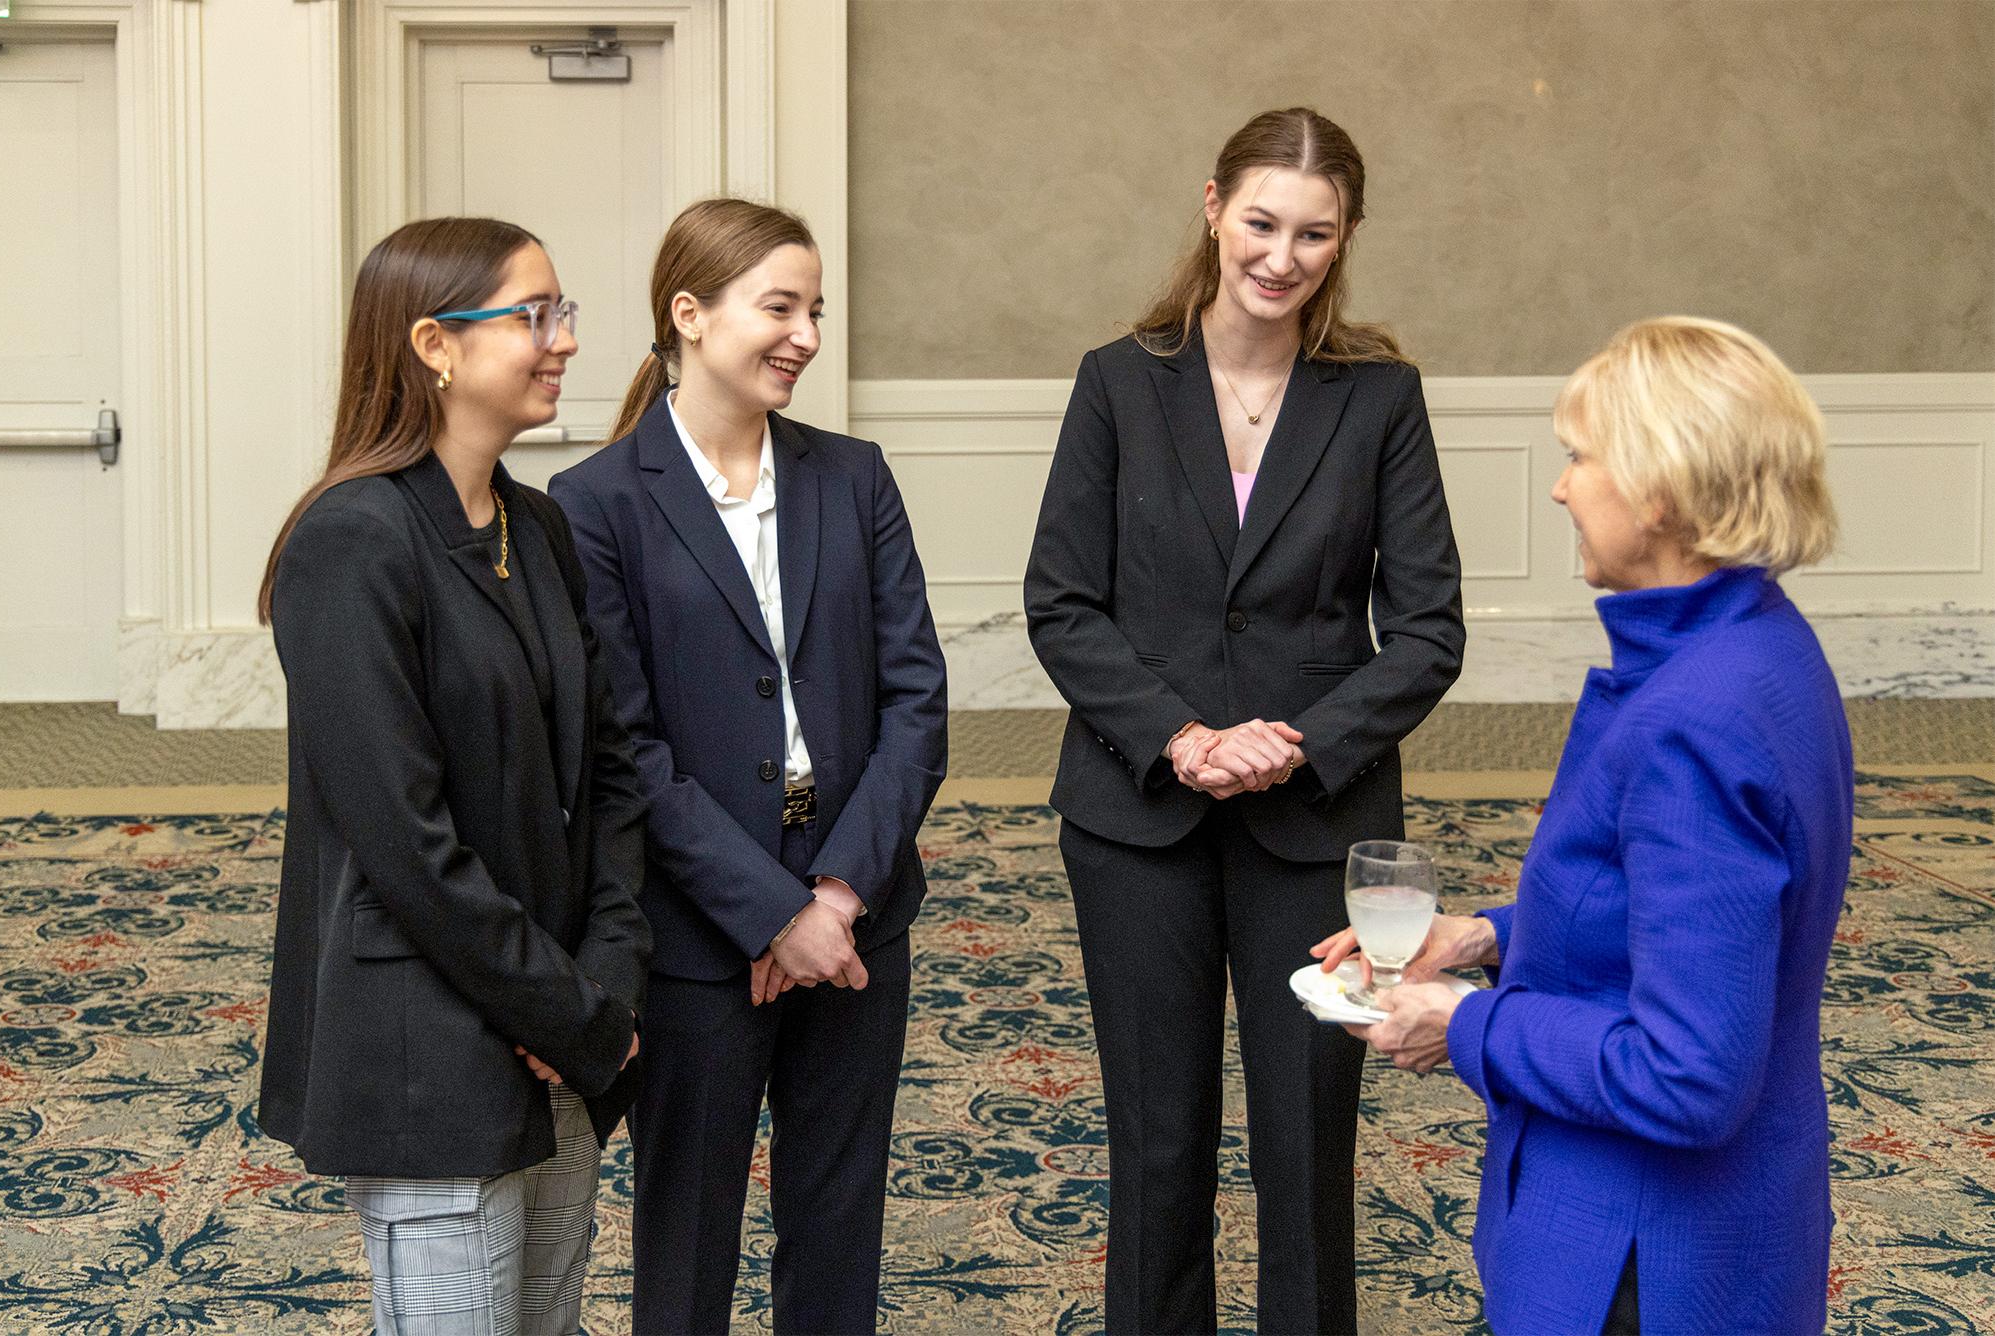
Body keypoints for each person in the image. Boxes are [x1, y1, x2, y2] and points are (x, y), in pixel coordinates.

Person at [1319, 316, 1851, 1335]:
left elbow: (1688, 1073)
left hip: (1643, 1253)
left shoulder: (1692, 716)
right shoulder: (1761, 645)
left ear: (1658, 488)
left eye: (1577, 456)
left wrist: (1461, 1020)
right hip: (1731, 1221)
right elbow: (1689, 915)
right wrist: (1484, 935)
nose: (1560, 486)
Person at [1024, 107, 1466, 1334]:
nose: (1280, 256)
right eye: (1261, 222)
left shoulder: (1378, 395)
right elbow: (1059, 603)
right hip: (1135, 817)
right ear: (1213, 205)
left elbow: (1429, 628)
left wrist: (1300, 739)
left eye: (1313, 233)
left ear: (1345, 238)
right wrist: (1181, 738)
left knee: (1306, 1150)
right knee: (1156, 1144)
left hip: (1314, 825)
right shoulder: (1118, 380)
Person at [548, 197, 947, 1335]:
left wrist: (833, 896)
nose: (806, 333)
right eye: (780, 306)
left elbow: (917, 701)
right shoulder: (595, 506)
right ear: (689, 314)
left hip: (857, 912)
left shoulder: (853, 477)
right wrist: (772, 914)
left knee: (837, 1223)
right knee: (686, 1235)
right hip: (698, 933)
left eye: (814, 308)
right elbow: (627, 750)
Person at [257, 216, 651, 1336]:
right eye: (534, 316)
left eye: (560, 312)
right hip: (433, 1043)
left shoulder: (539, 524)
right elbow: (404, 842)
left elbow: (609, 774)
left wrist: (605, 983)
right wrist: (564, 1009)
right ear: (433, 343)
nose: (562, 339)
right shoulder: (351, 541)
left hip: (566, 1028)